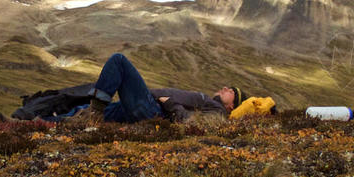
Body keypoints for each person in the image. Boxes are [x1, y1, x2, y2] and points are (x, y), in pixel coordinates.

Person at [73, 52, 246, 124]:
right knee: (78, 112)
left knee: (118, 61)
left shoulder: (220, 113)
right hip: (146, 106)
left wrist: (170, 103)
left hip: (154, 110)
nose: (226, 88)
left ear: (232, 106)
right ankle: (51, 122)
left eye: (232, 91)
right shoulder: (208, 102)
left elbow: (192, 123)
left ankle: (94, 114)